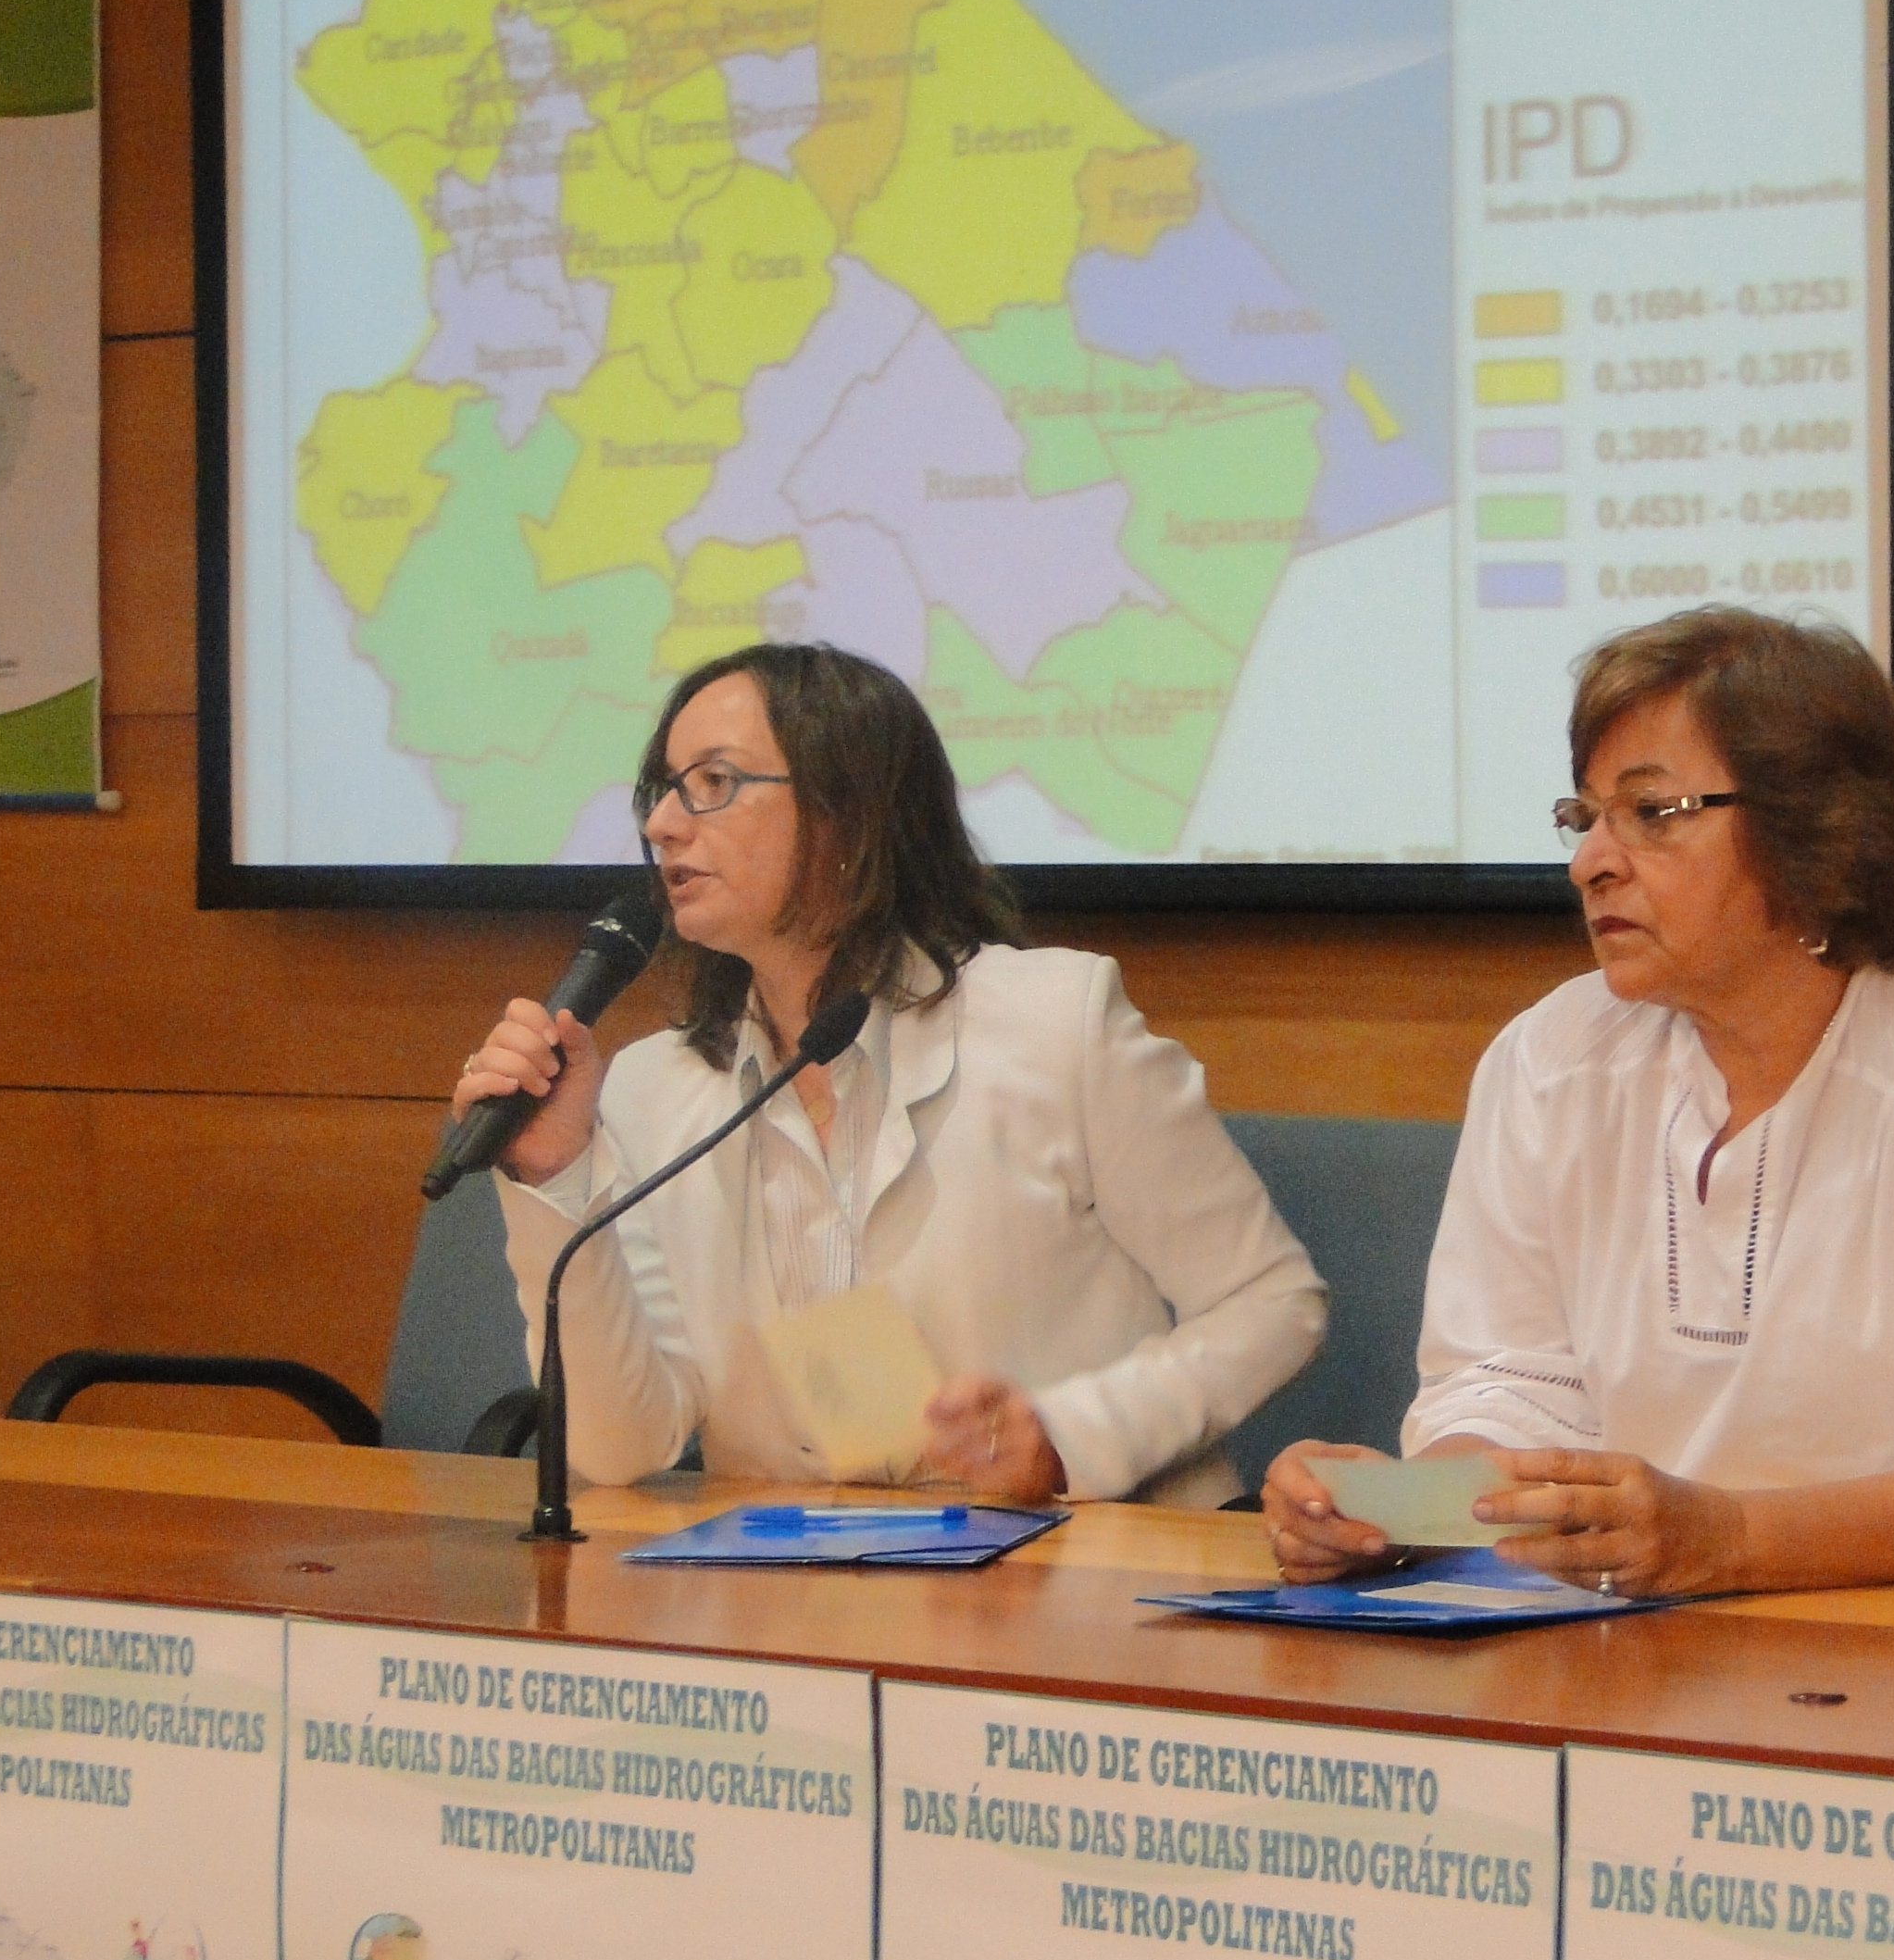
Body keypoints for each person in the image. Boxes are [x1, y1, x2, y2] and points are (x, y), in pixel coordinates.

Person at [1261, 607, 1894, 1594]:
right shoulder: (1551, 1057)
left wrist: (1732, 1538)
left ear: (1813, 826)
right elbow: (1514, 1391)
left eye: (1652, 812)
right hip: (1641, 1625)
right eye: (1584, 818)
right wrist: (1395, 1515)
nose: (1590, 863)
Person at [452, 643, 1325, 1503]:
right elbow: (619, 1445)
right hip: (808, 1572)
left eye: (714, 783)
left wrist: (1068, 1441)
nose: (663, 826)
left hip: (1082, 1554)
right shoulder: (656, 1086)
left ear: (847, 813)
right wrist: (554, 1177)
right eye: (665, 790)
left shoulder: (1057, 1024)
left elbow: (1271, 1300)